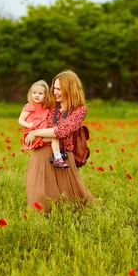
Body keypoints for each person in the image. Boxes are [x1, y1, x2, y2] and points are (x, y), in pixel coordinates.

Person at [24, 70, 95, 211]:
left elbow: (61, 131)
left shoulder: (79, 110)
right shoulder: (51, 104)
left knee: (70, 197)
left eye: (59, 89)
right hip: (42, 151)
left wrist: (35, 132)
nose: (55, 92)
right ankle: (39, 222)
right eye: (54, 88)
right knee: (39, 192)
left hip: (63, 156)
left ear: (69, 89)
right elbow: (33, 107)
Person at [18, 80, 69, 168]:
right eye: (34, 93)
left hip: (42, 133)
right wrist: (27, 125)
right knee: (54, 138)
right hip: (33, 135)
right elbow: (20, 119)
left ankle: (57, 158)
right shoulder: (30, 106)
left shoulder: (46, 107)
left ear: (45, 95)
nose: (37, 95)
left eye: (40, 93)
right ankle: (58, 158)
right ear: (31, 94)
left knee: (55, 138)